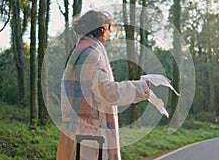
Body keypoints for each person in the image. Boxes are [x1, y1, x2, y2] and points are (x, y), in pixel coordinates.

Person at [56, 10, 151, 160]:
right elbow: (106, 92)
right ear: (102, 29)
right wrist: (141, 87)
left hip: (75, 129)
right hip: (90, 134)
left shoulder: (79, 51)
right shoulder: (91, 54)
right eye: (109, 27)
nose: (110, 32)